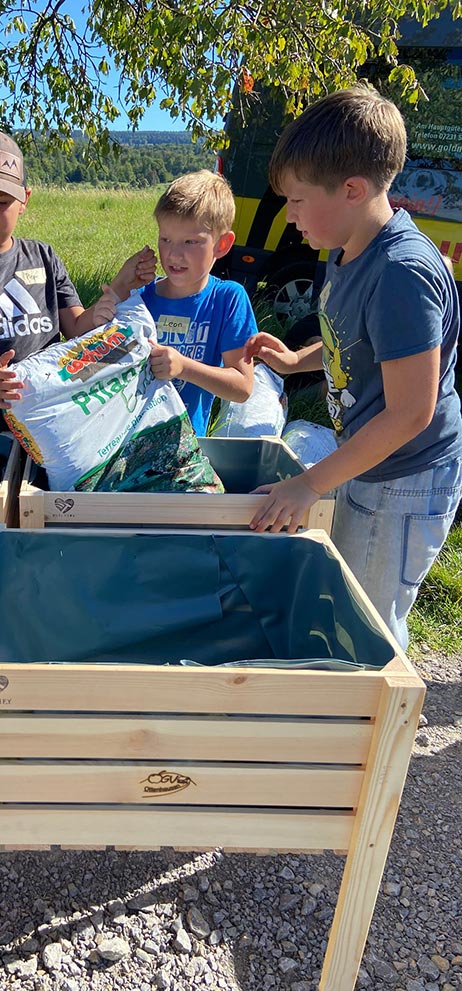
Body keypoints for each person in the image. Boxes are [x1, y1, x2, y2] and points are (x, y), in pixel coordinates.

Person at [244, 85, 462, 650]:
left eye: (296, 200)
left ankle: (373, 726)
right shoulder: (347, 250)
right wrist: (297, 360)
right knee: (351, 593)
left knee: (368, 621)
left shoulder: (400, 274)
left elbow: (413, 411)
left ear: (352, 190)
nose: (289, 217)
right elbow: (355, 344)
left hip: (405, 479)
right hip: (372, 461)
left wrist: (308, 485)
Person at [0, 128, 153, 433]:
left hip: (49, 421)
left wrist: (119, 286)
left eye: (1, 202)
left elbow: (78, 329)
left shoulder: (43, 257)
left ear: (24, 199)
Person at [99, 169, 256, 437]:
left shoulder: (227, 299)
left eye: (190, 242)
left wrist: (184, 368)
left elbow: (242, 387)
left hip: (184, 445)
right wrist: (105, 314)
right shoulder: (140, 298)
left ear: (222, 245)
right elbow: (101, 370)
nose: (173, 253)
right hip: (124, 440)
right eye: (166, 239)